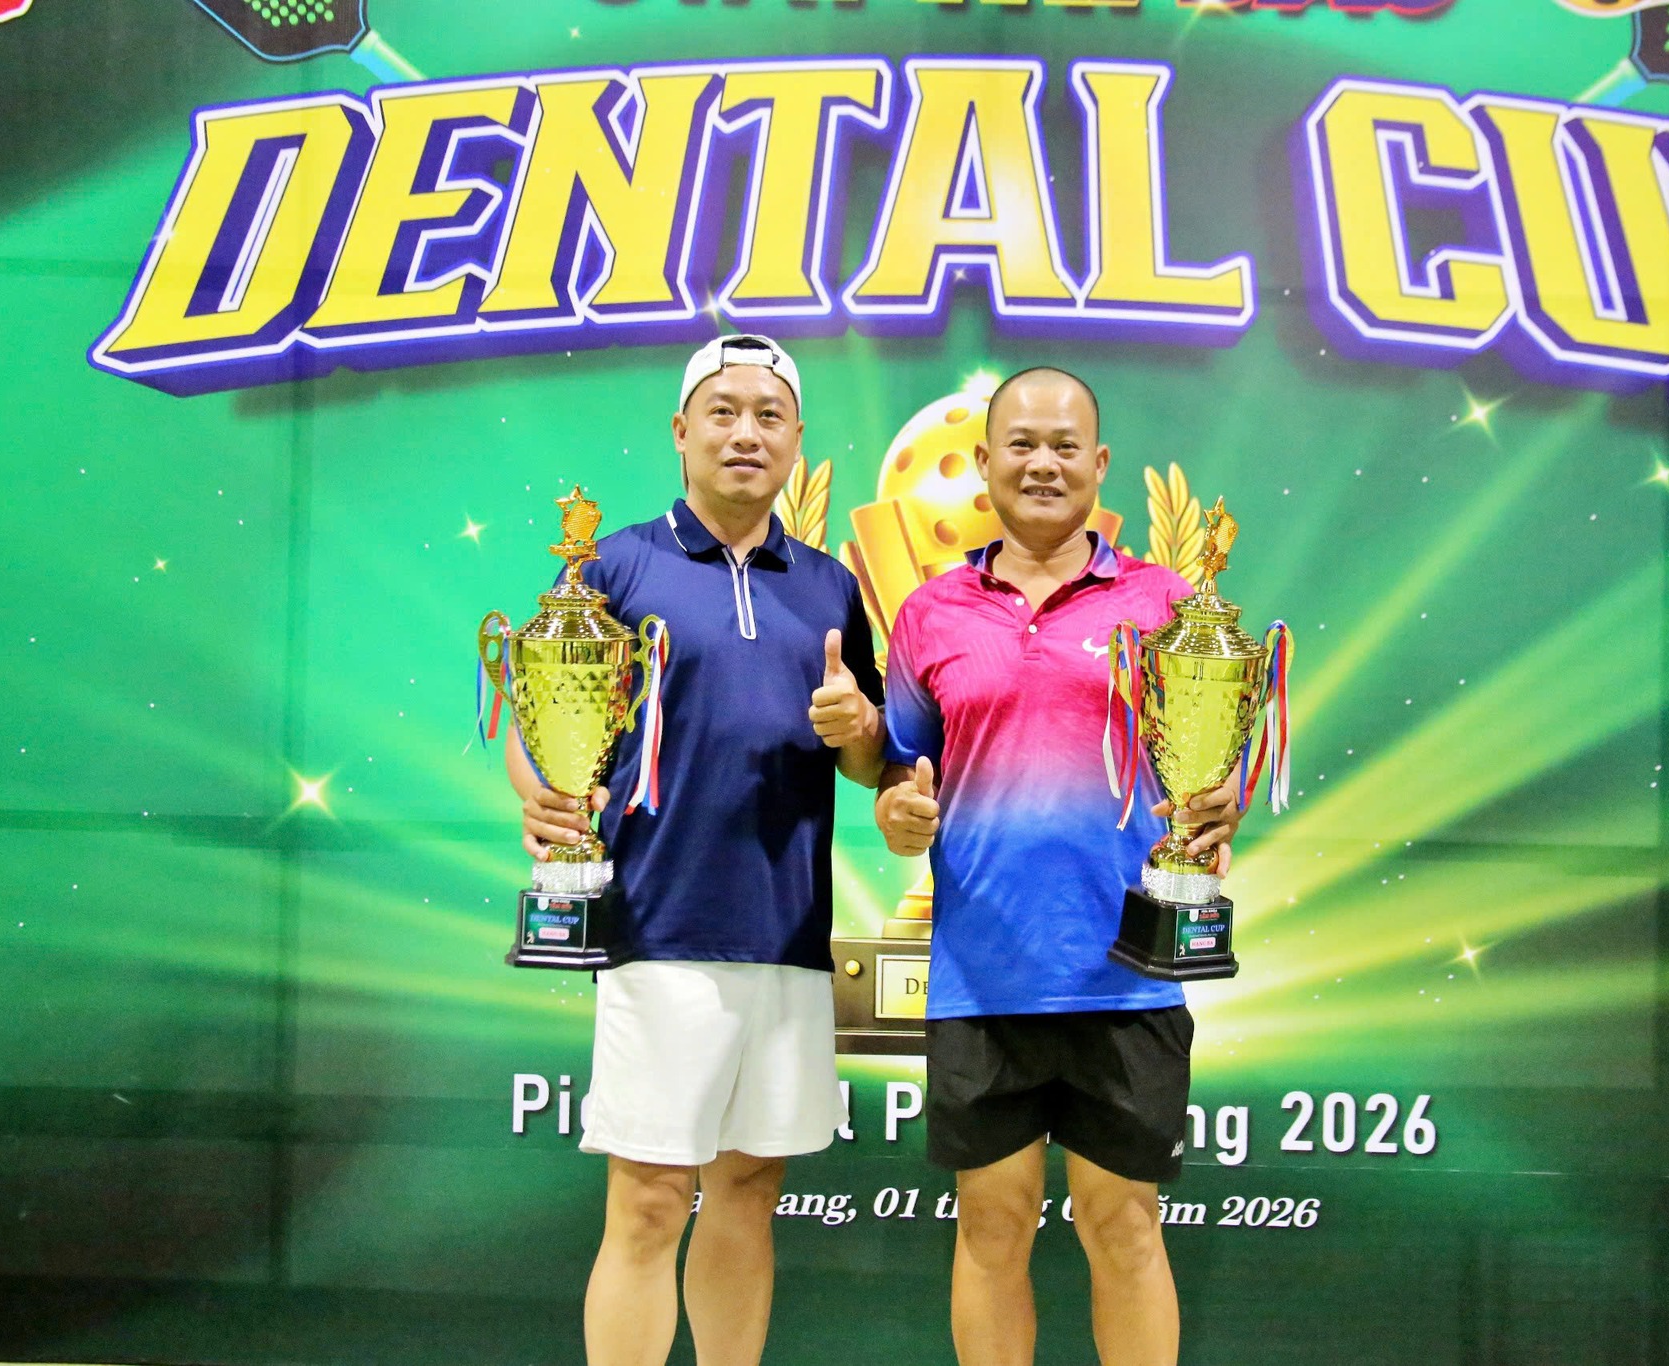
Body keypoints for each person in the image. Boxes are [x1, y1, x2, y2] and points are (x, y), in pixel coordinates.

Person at [506, 334, 886, 1366]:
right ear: (681, 431)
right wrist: (538, 795)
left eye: (769, 415)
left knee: (749, 1190)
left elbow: (866, 761)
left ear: (797, 439)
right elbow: (535, 711)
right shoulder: (616, 564)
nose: (745, 433)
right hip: (658, 928)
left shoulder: (829, 586)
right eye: (723, 411)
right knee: (648, 1199)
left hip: (788, 934)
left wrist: (857, 728)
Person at [874, 367, 1244, 1366]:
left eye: (1064, 445)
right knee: (991, 1227)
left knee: (1121, 1226)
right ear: (984, 461)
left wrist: (1225, 796)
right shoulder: (930, 613)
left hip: (1127, 972)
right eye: (1022, 444)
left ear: (1099, 463)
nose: (1043, 463)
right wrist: (899, 811)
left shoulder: (1167, 603)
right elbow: (903, 770)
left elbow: (1216, 763)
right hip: (980, 974)